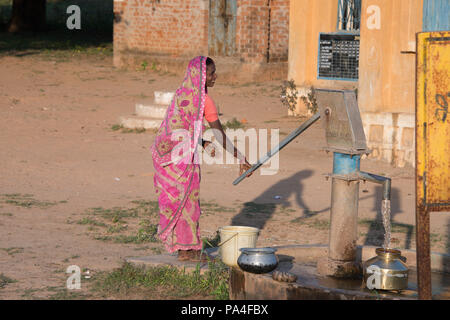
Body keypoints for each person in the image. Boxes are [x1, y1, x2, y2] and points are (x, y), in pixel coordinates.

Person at [151, 56, 252, 262]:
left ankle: (185, 250)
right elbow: (219, 134)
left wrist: (201, 142)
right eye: (211, 73)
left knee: (179, 202)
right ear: (201, 76)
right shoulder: (204, 101)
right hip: (181, 161)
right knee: (188, 203)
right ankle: (190, 252)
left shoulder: (181, 94)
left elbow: (180, 128)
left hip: (164, 156)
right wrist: (240, 157)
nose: (216, 76)